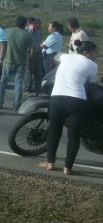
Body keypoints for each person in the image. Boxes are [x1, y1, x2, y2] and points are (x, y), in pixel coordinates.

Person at [39, 40, 98, 175]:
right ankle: (67, 168)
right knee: (74, 135)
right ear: (86, 53)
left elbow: (59, 56)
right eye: (95, 53)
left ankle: (50, 164)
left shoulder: (66, 57)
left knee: (54, 131)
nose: (97, 55)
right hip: (77, 101)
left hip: (57, 98)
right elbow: (92, 82)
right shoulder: (92, 65)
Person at [0, 16, 32, 110]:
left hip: (7, 61)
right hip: (21, 62)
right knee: (18, 84)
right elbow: (32, 51)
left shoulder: (6, 31)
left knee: (3, 83)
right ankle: (16, 104)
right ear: (25, 24)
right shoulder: (28, 35)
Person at [24, 17, 43, 96]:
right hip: (29, 53)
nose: (36, 24)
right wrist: (30, 29)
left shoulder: (37, 31)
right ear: (28, 24)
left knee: (38, 72)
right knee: (28, 71)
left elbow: (39, 41)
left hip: (37, 53)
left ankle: (38, 90)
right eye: (33, 23)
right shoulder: (26, 31)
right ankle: (27, 89)